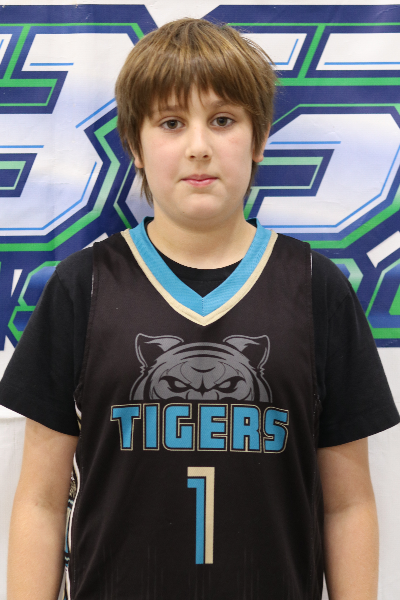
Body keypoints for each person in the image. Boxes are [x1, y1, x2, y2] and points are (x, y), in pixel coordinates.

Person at [1, 18, 399, 600]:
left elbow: (348, 504)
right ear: (134, 145)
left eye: (222, 120)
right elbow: (39, 500)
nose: (198, 146)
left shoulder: (317, 288)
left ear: (259, 138)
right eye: (170, 122)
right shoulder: (82, 286)